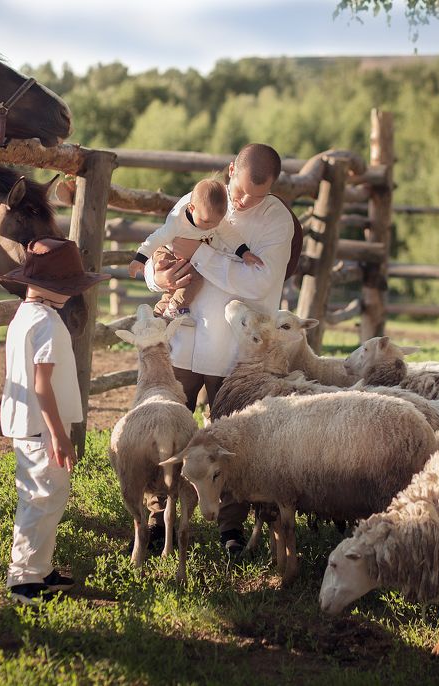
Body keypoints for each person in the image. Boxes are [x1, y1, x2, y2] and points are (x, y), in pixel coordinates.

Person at [143, 143, 295, 554]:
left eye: (255, 195)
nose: (243, 200)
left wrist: (202, 254)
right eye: (241, 189)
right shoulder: (197, 199)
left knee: (230, 437)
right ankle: (159, 519)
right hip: (183, 340)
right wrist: (157, 275)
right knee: (166, 430)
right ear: (231, 169)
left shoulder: (276, 220)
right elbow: (160, 253)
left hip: (235, 350)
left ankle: (230, 527)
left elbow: (258, 284)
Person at [0, 237, 108, 605]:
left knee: (48, 494)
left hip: (31, 422)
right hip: (42, 426)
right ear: (56, 290)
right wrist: (59, 435)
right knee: (41, 498)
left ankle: (39, 569)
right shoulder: (47, 322)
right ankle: (24, 579)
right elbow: (41, 384)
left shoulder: (25, 315)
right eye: (70, 288)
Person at [128, 178, 262, 321]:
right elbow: (156, 238)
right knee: (194, 279)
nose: (211, 226)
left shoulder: (213, 218)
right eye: (205, 221)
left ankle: (159, 316)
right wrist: (140, 259)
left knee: (179, 286)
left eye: (216, 222)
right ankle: (176, 307)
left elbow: (229, 234)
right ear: (191, 209)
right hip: (166, 252)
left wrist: (244, 252)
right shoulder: (177, 223)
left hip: (186, 258)